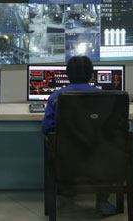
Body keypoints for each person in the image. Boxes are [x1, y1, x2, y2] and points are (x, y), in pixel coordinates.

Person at [41, 56, 116, 216]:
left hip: (66, 159)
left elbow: (46, 128)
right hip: (98, 159)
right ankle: (102, 200)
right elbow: (116, 127)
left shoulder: (56, 97)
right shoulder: (105, 97)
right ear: (91, 75)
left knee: (49, 143)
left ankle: (64, 191)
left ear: (67, 75)